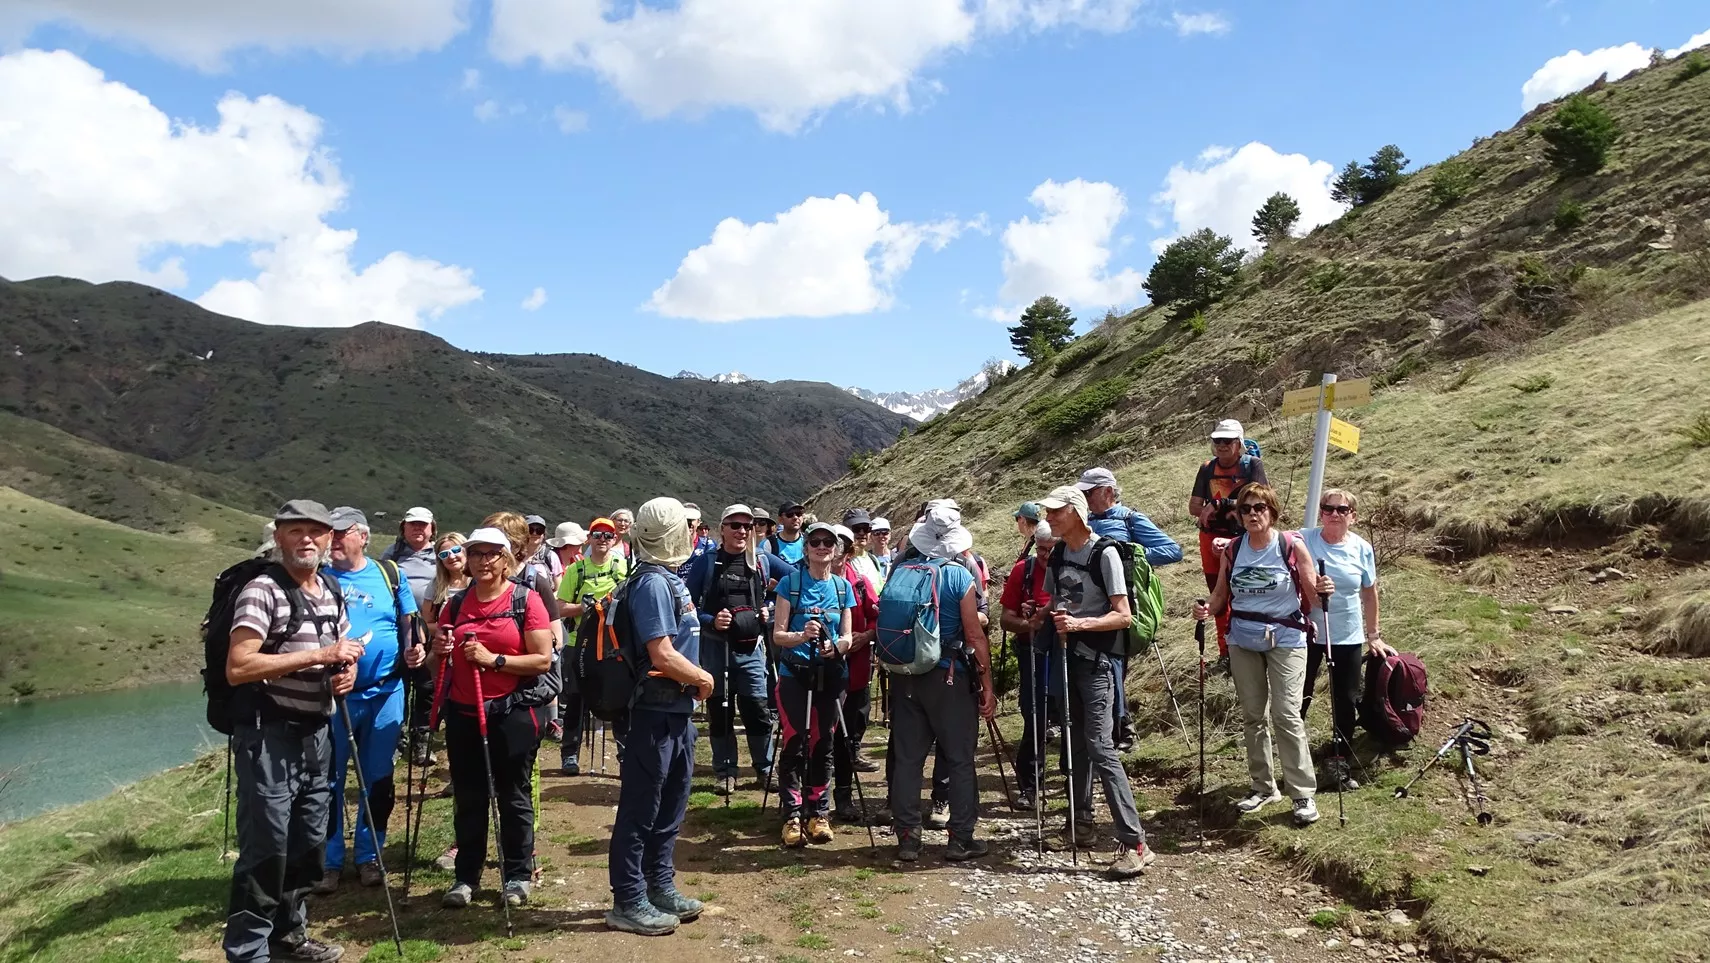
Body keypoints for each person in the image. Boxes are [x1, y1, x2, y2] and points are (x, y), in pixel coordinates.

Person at [222, 500, 372, 963]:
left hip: (317, 733)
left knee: (307, 842)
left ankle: (290, 935)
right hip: (268, 735)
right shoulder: (261, 591)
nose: (306, 539)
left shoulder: (329, 588)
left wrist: (343, 672)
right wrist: (319, 658)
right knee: (265, 846)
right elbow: (239, 666)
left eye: (316, 531)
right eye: (295, 531)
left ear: (331, 539)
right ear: (279, 537)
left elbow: (343, 649)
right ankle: (248, 951)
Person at [605, 498, 714, 936]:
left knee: (671, 802)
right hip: (651, 710)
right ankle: (628, 898)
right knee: (641, 806)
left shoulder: (664, 579)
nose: (692, 532)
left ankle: (659, 884)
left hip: (674, 710)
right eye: (687, 527)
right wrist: (704, 678)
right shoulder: (651, 584)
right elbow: (662, 652)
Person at [1036, 485, 1155, 878]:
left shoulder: (1105, 553)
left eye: (1056, 511)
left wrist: (1080, 623)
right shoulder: (1058, 553)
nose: (1049, 517)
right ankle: (1080, 824)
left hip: (1098, 663)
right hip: (1068, 659)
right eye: (1048, 512)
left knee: (1101, 746)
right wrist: (1042, 613)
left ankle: (1135, 841)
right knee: (1076, 743)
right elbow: (1056, 601)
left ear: (1076, 512)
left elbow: (1123, 615)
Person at [433, 527, 555, 909]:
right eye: (476, 554)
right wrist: (439, 647)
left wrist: (494, 660)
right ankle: (465, 877)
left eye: (492, 554)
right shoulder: (454, 605)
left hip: (512, 711)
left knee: (513, 795)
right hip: (465, 712)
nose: (483, 561)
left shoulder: (526, 600)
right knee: (469, 797)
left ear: (506, 559)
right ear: (467, 561)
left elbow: (542, 659)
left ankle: (517, 875)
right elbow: (444, 660)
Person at [1192, 483, 1321, 827]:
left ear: (1272, 512)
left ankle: (1302, 793)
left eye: (1259, 508)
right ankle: (1263, 787)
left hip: (1287, 637)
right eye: (1246, 509)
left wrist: (1326, 590)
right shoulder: (1233, 550)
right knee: (1253, 715)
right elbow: (1220, 596)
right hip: (1243, 638)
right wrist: (1207, 609)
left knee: (1286, 714)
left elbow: (1315, 597)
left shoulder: (1291, 546)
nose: (1252, 514)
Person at [315, 507, 420, 893]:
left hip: (386, 692)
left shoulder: (390, 574)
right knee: (329, 781)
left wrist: (415, 651)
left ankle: (369, 854)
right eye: (331, 533)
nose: (335, 540)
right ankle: (328, 860)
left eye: (342, 533)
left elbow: (408, 623)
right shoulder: (318, 579)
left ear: (363, 535)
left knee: (378, 778)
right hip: (334, 696)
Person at [886, 503, 996, 862]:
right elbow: (975, 635)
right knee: (960, 758)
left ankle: (907, 838)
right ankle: (959, 839)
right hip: (948, 676)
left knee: (907, 759)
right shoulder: (957, 577)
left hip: (904, 676)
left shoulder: (900, 569)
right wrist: (987, 686)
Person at [1077, 467, 1183, 751]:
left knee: (1114, 664)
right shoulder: (1083, 520)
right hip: (1088, 604)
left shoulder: (1129, 519)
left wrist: (1130, 554)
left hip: (1122, 604)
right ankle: (1110, 729)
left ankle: (1122, 729)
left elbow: (1173, 550)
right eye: (1083, 493)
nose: (1085, 497)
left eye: (1089, 492)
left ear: (1108, 492)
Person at [771, 521, 855, 847]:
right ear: (805, 549)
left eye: (827, 543)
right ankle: (792, 814)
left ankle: (819, 812)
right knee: (795, 741)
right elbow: (778, 635)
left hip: (830, 675)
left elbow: (848, 636)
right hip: (795, 675)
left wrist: (836, 647)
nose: (821, 547)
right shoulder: (790, 585)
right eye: (815, 542)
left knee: (824, 743)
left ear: (835, 550)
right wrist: (801, 635)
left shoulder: (842, 587)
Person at [683, 505, 777, 796]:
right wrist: (711, 619)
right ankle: (725, 771)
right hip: (716, 648)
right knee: (720, 710)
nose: (741, 531)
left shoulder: (761, 559)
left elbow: (793, 579)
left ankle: (765, 769)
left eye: (747, 526)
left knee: (757, 710)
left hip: (751, 649)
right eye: (734, 525)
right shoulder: (707, 561)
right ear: (721, 528)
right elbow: (687, 604)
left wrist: (770, 609)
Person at [1301, 489, 1391, 790]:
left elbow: (1369, 592)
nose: (1334, 514)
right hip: (1307, 633)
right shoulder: (1303, 539)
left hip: (1347, 635)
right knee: (1300, 695)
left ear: (1353, 515)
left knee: (1346, 698)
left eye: (1342, 510)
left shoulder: (1362, 548)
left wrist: (1373, 635)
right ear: (1321, 513)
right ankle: (1294, 761)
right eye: (1328, 509)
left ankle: (1339, 760)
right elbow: (1268, 538)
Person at [1188, 419, 1269, 666]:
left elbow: (1263, 502)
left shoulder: (1252, 465)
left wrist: (1221, 503)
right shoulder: (1206, 468)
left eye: (1228, 441)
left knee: (1250, 590)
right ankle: (1226, 652)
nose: (1222, 445)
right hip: (1210, 540)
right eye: (1217, 441)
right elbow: (1194, 507)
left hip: (1243, 538)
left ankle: (1255, 645)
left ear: (1239, 443)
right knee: (1218, 594)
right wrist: (1227, 506)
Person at [556, 517, 631, 775]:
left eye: (608, 536)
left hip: (613, 646)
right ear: (589, 539)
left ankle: (625, 753)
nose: (602, 540)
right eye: (597, 535)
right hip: (580, 644)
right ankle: (569, 755)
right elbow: (560, 606)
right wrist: (584, 607)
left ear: (614, 540)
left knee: (619, 698)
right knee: (576, 700)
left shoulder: (622, 567)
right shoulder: (576, 571)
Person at [1000, 521, 1057, 809]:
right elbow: (1004, 619)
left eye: (1051, 549)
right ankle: (1029, 786)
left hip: (1068, 651)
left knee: (1067, 717)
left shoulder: (1074, 568)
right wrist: (1029, 622)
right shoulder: (1024, 571)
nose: (1046, 555)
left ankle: (1074, 786)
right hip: (1031, 650)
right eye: (1042, 549)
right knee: (1034, 716)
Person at [830, 523, 881, 822]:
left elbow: (879, 619)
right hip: (820, 672)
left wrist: (866, 636)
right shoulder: (804, 582)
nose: (835, 552)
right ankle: (815, 798)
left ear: (849, 552)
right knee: (821, 735)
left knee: (847, 738)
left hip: (856, 672)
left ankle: (843, 797)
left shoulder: (860, 583)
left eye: (841, 547)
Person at [381, 507, 436, 759]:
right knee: (398, 682)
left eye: (423, 525)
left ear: (432, 529)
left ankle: (421, 740)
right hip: (397, 628)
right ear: (403, 527)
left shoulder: (440, 554)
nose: (418, 529)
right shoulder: (391, 555)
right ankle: (396, 737)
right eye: (412, 524)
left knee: (427, 686)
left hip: (430, 629)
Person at [842, 509, 884, 591]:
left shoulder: (873, 559)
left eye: (866, 528)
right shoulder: (840, 560)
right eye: (856, 528)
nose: (862, 533)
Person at [522, 515, 563, 586]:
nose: (534, 533)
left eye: (539, 530)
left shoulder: (550, 556)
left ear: (543, 534)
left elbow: (559, 589)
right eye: (530, 530)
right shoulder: (514, 555)